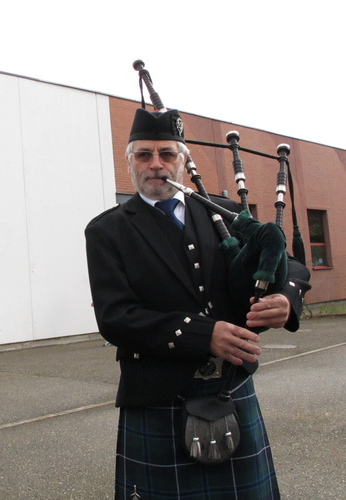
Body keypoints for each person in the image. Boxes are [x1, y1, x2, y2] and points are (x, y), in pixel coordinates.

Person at [85, 107, 311, 499]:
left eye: (167, 154)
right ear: (130, 162)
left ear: (183, 160)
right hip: (158, 397)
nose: (156, 164)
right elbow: (115, 317)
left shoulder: (224, 212)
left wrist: (286, 297)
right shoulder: (107, 230)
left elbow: (289, 264)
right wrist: (204, 335)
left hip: (230, 388)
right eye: (144, 154)